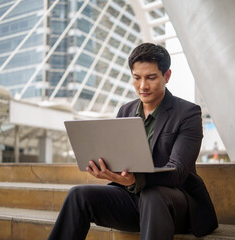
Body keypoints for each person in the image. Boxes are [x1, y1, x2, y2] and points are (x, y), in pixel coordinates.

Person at [48, 43, 218, 240]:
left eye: (151, 78)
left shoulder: (188, 113)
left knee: (152, 195)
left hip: (175, 204)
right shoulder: (125, 111)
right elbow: (120, 158)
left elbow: (178, 172)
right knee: (78, 195)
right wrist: (108, 169)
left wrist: (137, 180)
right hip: (132, 201)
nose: (143, 86)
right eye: (137, 78)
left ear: (167, 76)